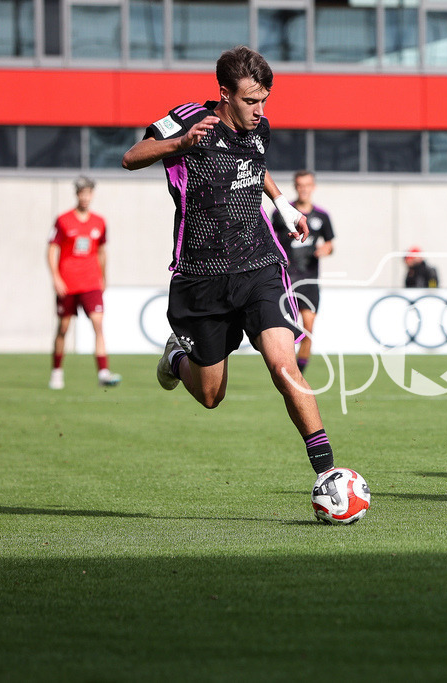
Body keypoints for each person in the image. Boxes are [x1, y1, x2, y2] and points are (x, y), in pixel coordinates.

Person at [121, 46, 340, 495]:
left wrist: (282, 205)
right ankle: (175, 358)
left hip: (259, 263)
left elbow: (254, 166)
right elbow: (132, 155)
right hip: (200, 273)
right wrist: (180, 145)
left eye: (264, 100)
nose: (260, 110)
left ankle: (327, 473)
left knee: (284, 366)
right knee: (210, 395)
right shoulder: (186, 119)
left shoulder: (260, 128)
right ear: (224, 93)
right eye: (250, 101)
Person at [47, 176, 122, 389]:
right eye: (82, 193)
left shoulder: (99, 222)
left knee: (98, 324)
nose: (85, 197)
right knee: (63, 327)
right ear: (77, 194)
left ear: (92, 194)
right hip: (68, 283)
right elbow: (52, 249)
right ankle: (57, 371)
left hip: (91, 282)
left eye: (89, 193)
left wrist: (103, 277)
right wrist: (56, 277)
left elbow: (101, 251)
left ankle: (103, 373)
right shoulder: (63, 220)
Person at [273, 170, 335, 373]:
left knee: (308, 328)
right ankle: (286, 367)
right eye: (300, 185)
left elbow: (330, 244)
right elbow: (270, 238)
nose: (304, 189)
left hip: (309, 280)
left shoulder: (322, 216)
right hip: (286, 279)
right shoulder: (282, 212)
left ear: (313, 187)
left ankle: (299, 372)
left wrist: (325, 250)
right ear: (295, 187)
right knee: (286, 330)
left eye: (307, 185)